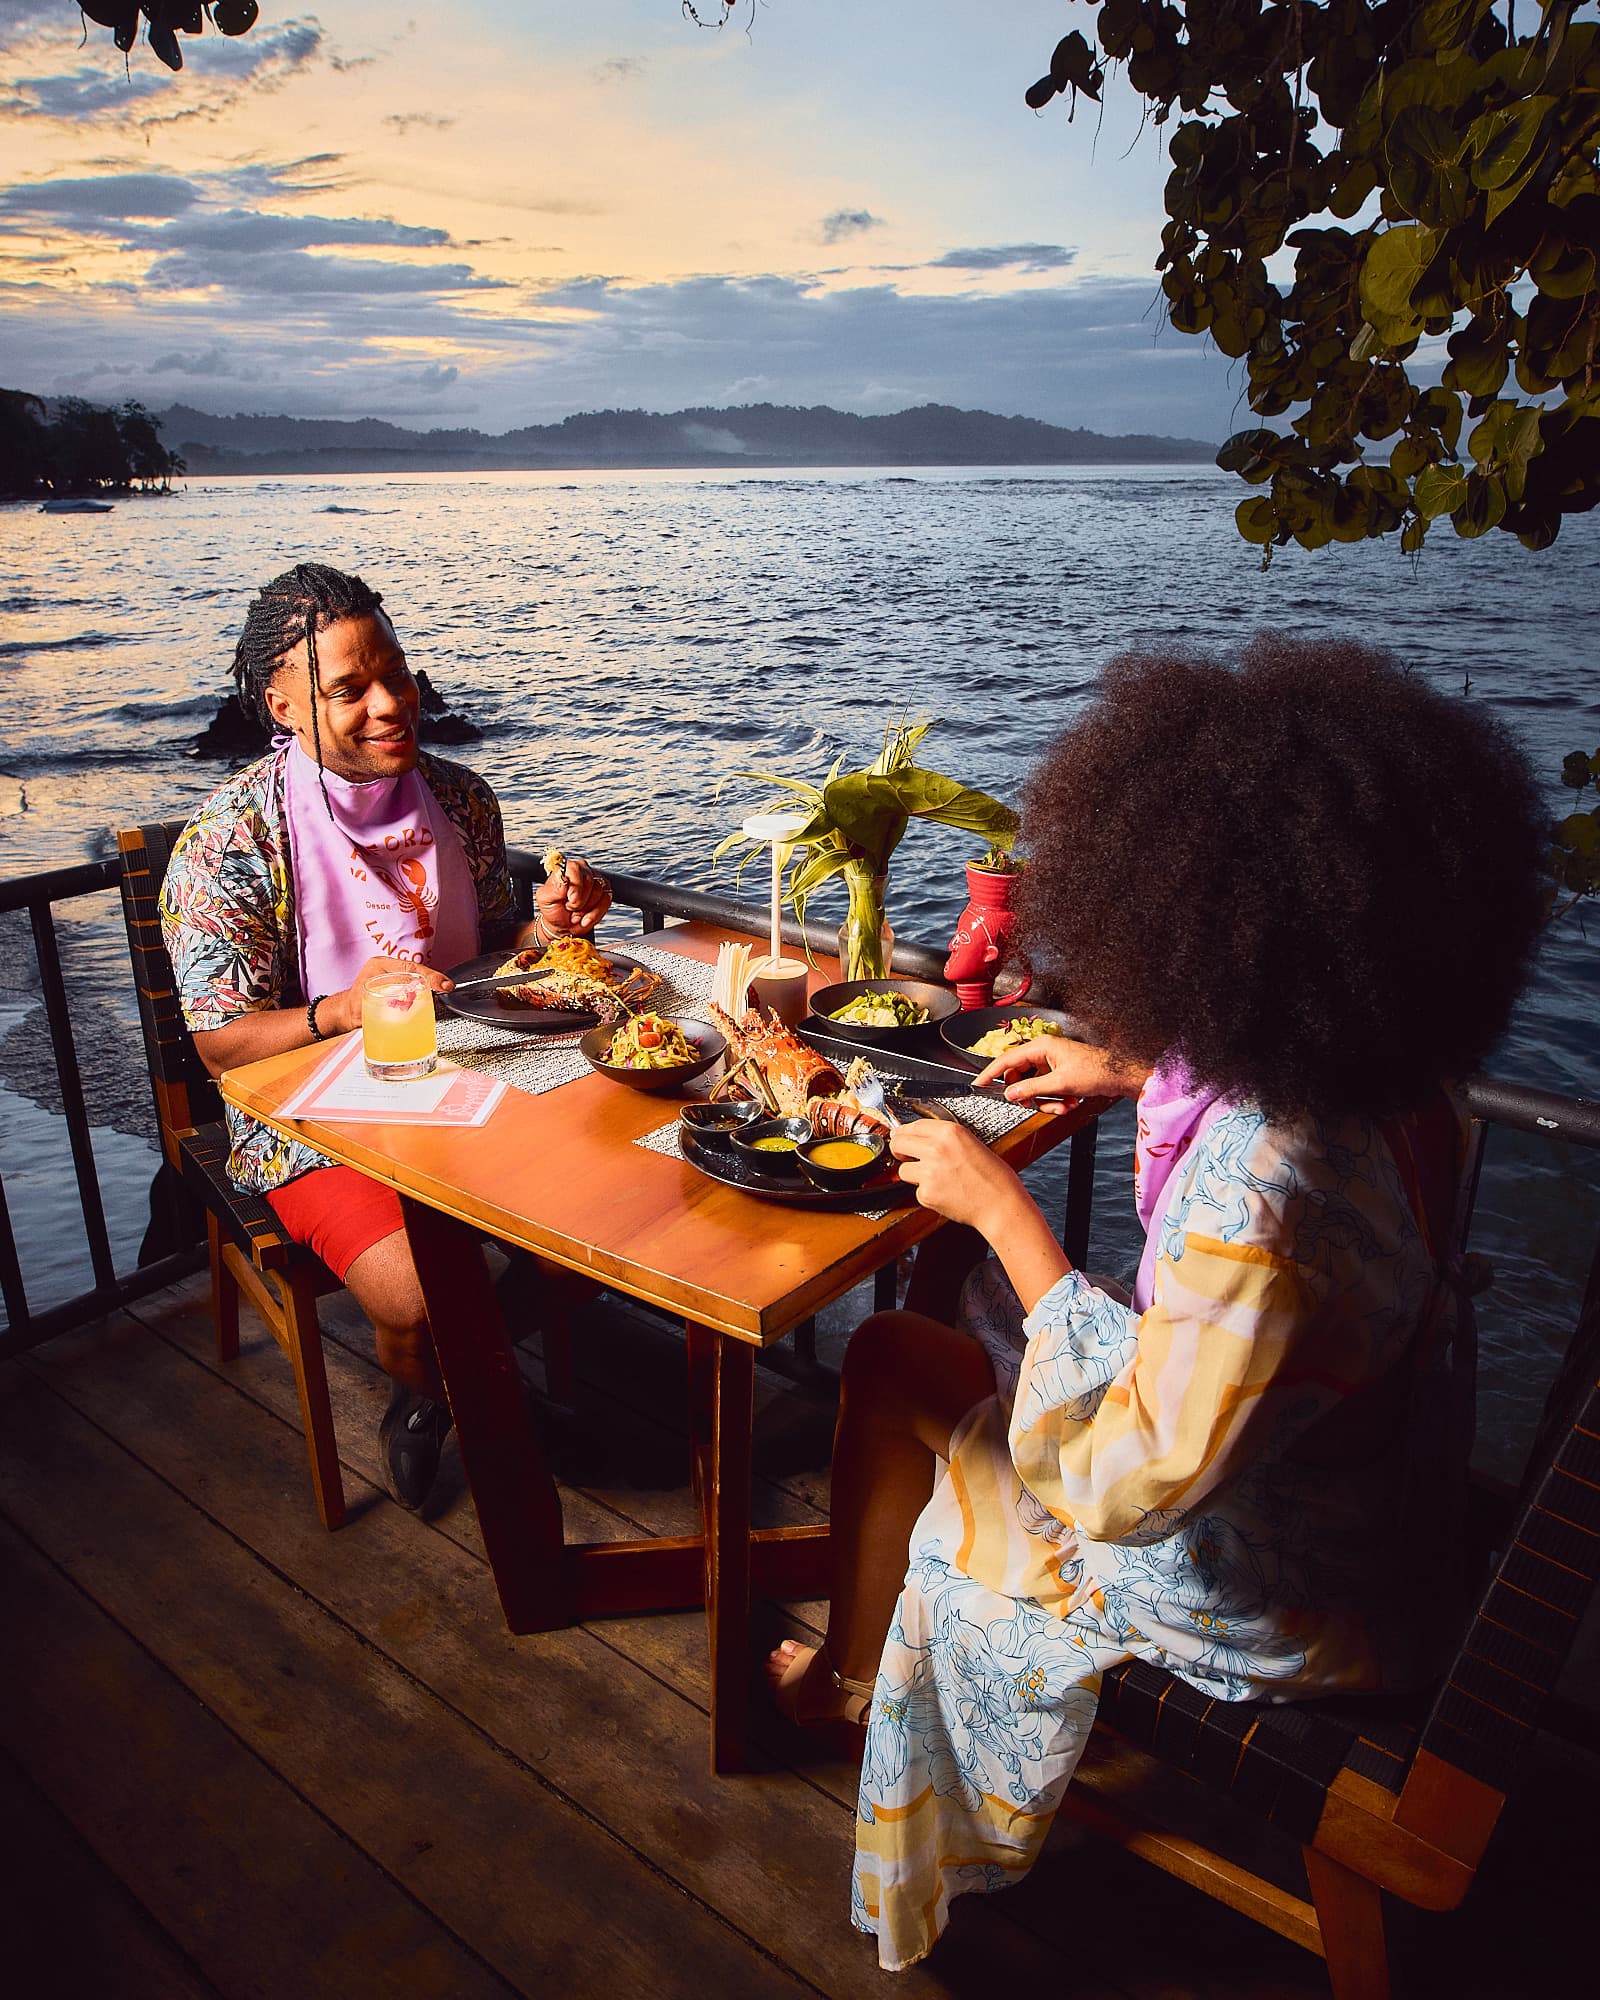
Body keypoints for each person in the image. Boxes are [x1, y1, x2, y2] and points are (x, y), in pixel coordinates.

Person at [766, 634, 1548, 1972]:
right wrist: (1131, 1069)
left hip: (1289, 1587)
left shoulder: (1267, 1194)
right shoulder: (1396, 1086)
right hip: (1369, 1500)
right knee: (913, 1344)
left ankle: (879, 1706)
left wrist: (999, 1209)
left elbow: (1126, 1483)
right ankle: (863, 1666)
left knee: (907, 1368)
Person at [160, 562, 611, 1509]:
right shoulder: (227, 844)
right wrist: (338, 1010)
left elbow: (497, 945)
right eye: (347, 689)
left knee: (627, 1221)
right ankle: (447, 1394)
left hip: (480, 1070)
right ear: (282, 705)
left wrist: (554, 930)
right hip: (309, 1115)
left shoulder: (461, 798)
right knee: (413, 1298)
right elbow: (220, 1045)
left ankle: (449, 1390)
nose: (389, 704)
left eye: (395, 675)